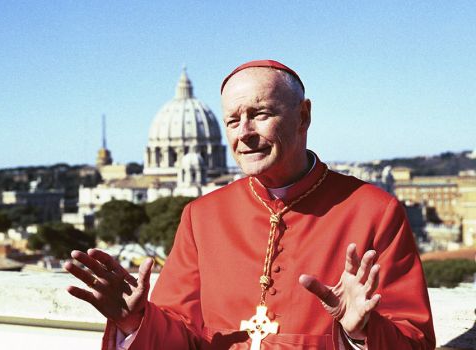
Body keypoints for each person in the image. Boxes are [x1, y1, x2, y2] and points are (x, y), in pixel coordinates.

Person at [64, 60, 435, 349]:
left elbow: (414, 341)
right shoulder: (201, 215)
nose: (245, 134)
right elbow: (184, 336)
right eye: (233, 120)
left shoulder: (374, 210)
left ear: (303, 116)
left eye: (260, 114)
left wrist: (363, 333)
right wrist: (136, 322)